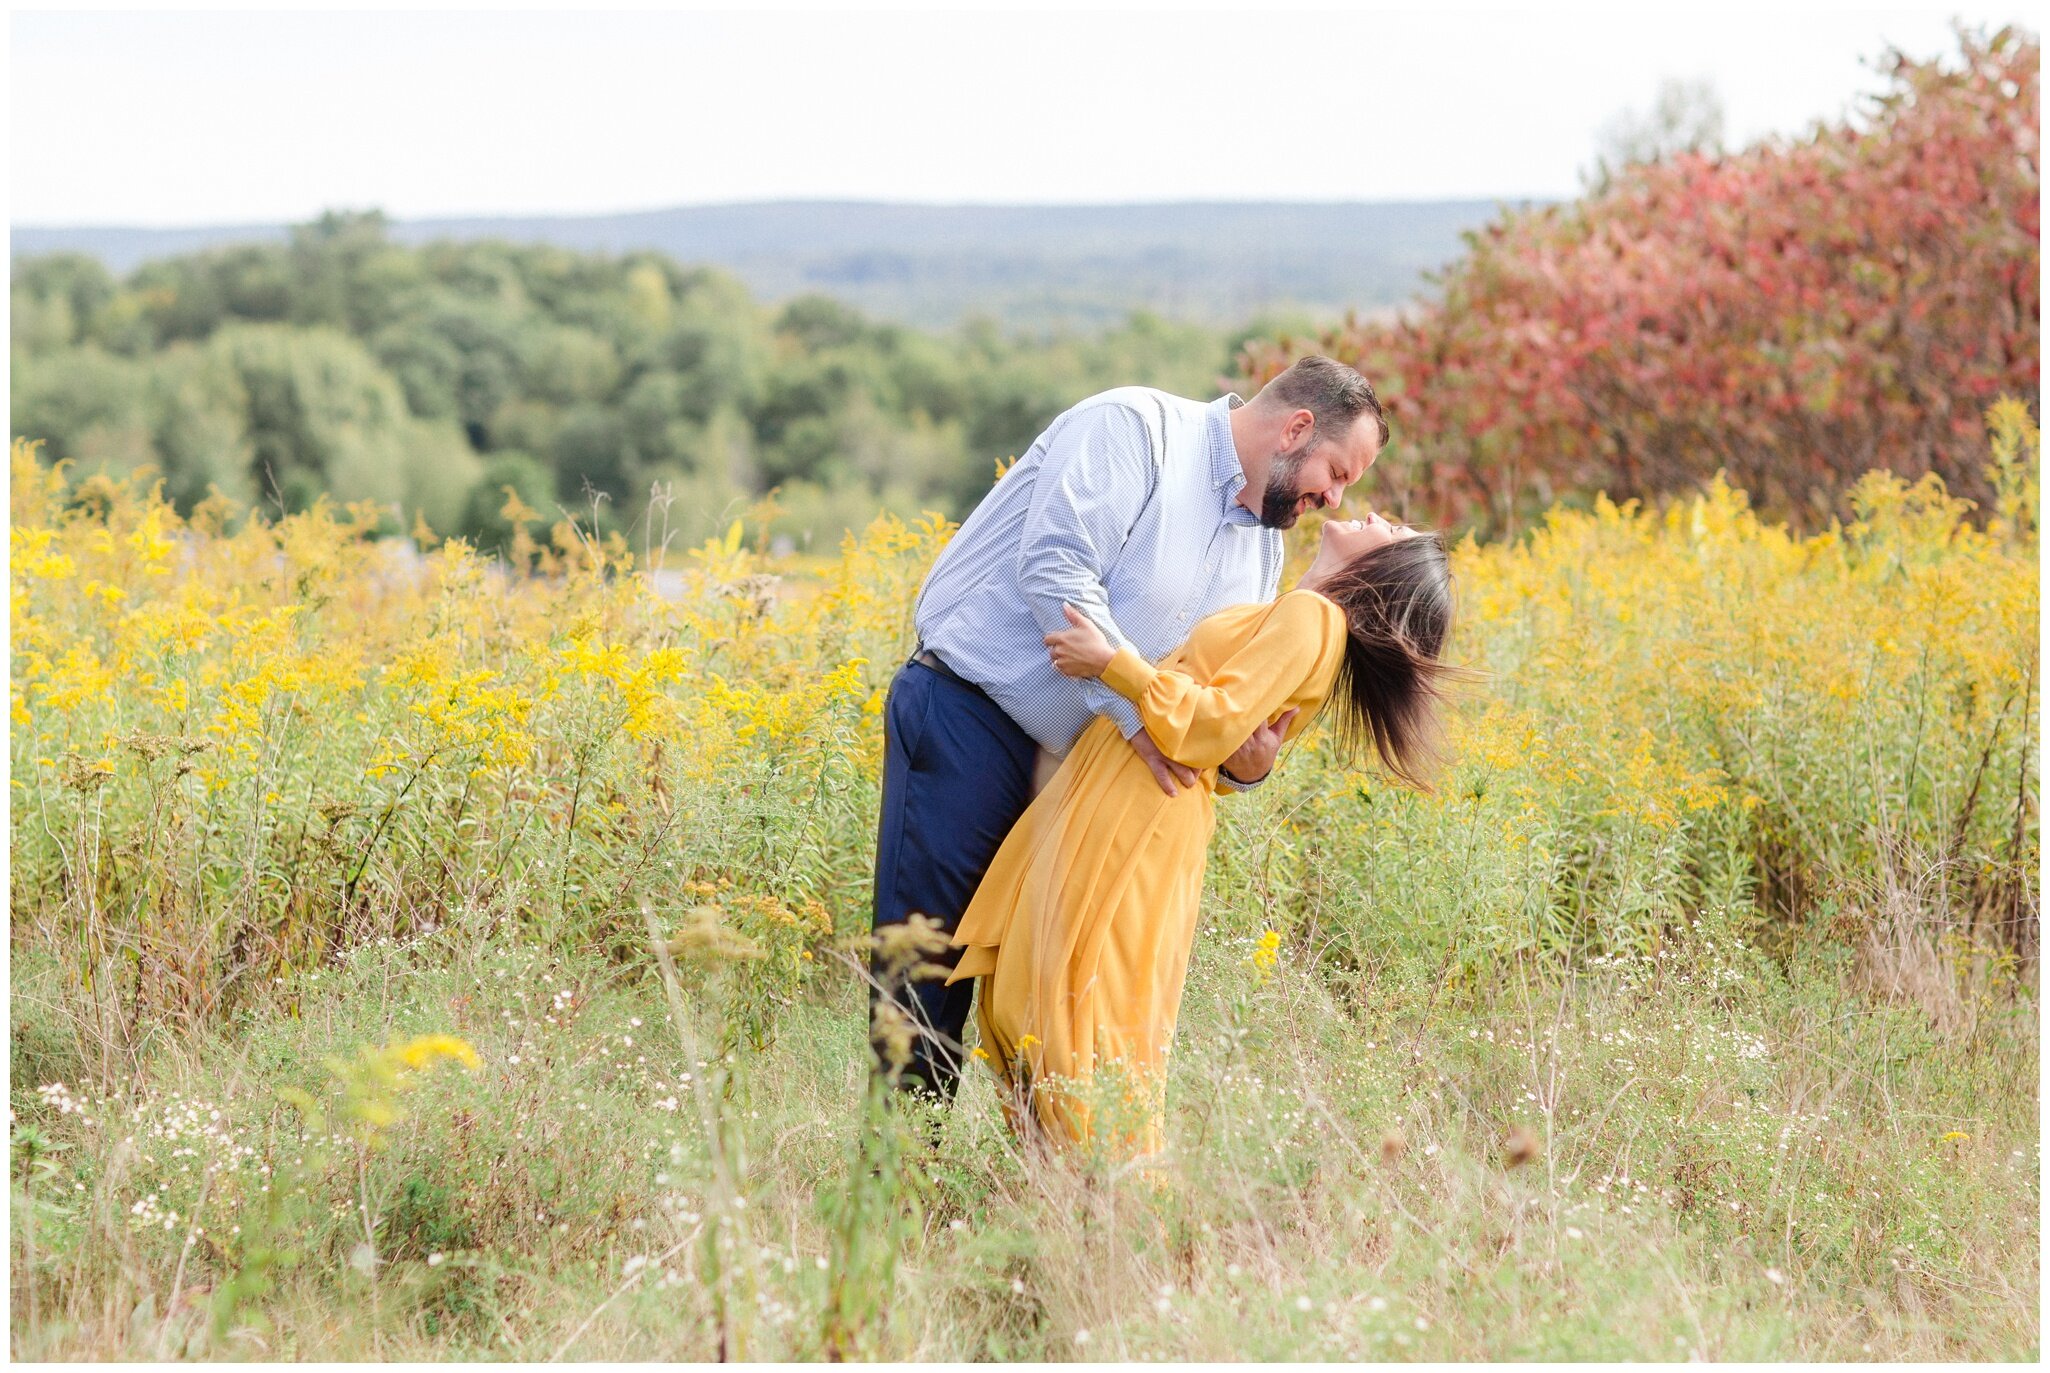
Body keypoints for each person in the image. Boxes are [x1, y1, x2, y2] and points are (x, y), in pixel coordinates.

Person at [869, 357, 1388, 1102]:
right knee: (925, 979)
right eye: (1337, 472)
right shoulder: (1137, 430)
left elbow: (1212, 703)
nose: (1333, 498)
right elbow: (1056, 570)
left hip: (1084, 787)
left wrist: (1249, 762)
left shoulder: (1263, 551)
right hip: (972, 722)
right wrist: (1136, 715)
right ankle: (893, 1190)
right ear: (1297, 428)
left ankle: (1038, 1201)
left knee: (1043, 1001)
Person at [948, 513, 1458, 1157]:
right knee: (1060, 998)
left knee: (1068, 1003)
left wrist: (1114, 664)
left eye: (1396, 532)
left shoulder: (1314, 620)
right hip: (1136, 792)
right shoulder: (1297, 613)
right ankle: (1081, 1206)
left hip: (1141, 804)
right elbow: (1229, 752)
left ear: (1380, 573)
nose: (1379, 516)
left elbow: (1209, 729)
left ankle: (1113, 1205)